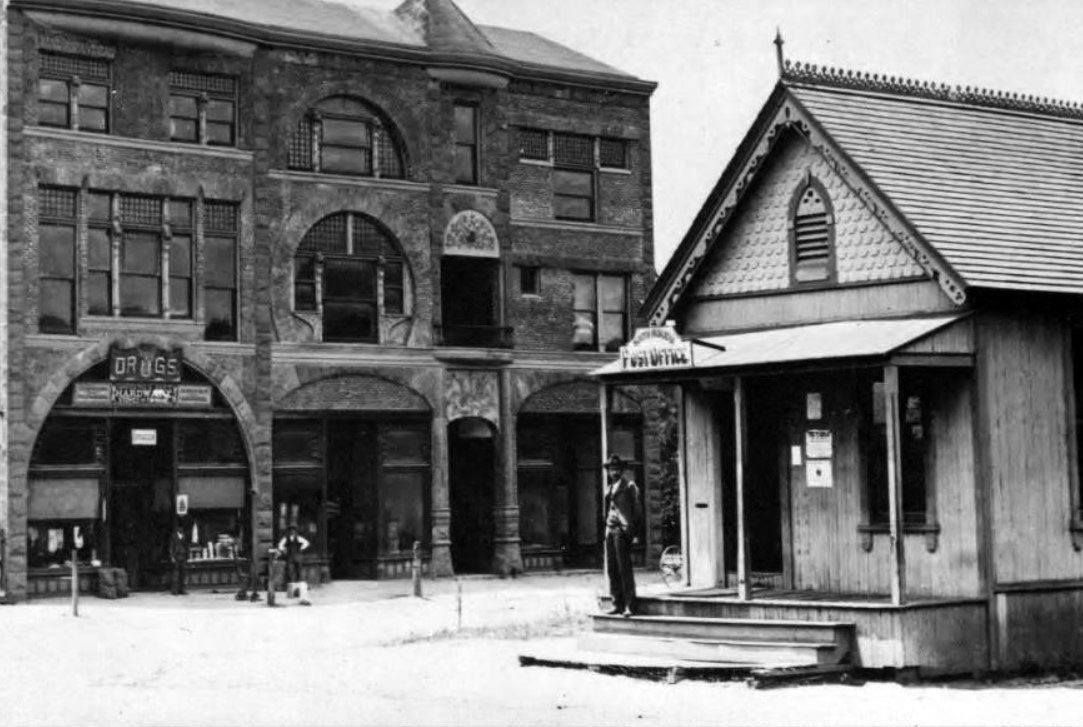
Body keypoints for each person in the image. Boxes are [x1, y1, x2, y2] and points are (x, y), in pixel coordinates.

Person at [603, 453, 640, 616]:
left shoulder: (629, 487)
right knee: (612, 569)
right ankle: (617, 603)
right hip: (610, 531)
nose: (614, 472)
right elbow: (606, 512)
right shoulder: (608, 489)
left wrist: (634, 532)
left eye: (617, 469)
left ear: (622, 470)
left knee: (624, 568)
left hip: (622, 531)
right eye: (611, 469)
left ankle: (630, 605)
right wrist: (606, 529)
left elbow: (637, 512)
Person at [277, 524, 311, 605]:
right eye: (291, 531)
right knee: (290, 573)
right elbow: (280, 545)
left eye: (294, 531)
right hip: (290, 557)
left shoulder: (298, 538)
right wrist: (283, 549)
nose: (292, 532)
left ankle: (300, 592)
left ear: (296, 532)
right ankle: (291, 593)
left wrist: (301, 549)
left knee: (299, 573)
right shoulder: (286, 538)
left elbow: (306, 543)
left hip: (297, 557)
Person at [169, 524, 189, 596]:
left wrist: (187, 556)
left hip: (183, 555)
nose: (181, 530)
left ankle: (183, 590)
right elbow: (171, 546)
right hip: (176, 556)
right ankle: (175, 590)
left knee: (183, 574)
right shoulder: (174, 536)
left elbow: (186, 546)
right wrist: (172, 557)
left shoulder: (184, 536)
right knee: (176, 574)